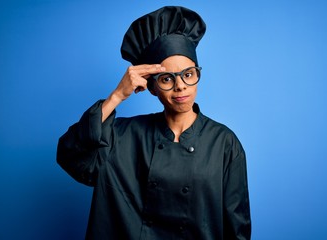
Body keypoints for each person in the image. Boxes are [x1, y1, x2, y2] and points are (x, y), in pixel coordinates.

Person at [57, 6, 251, 240]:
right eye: (167, 78)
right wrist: (117, 96)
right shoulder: (122, 136)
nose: (180, 86)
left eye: (188, 74)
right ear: (151, 87)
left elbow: (237, 228)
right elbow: (70, 155)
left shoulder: (224, 143)